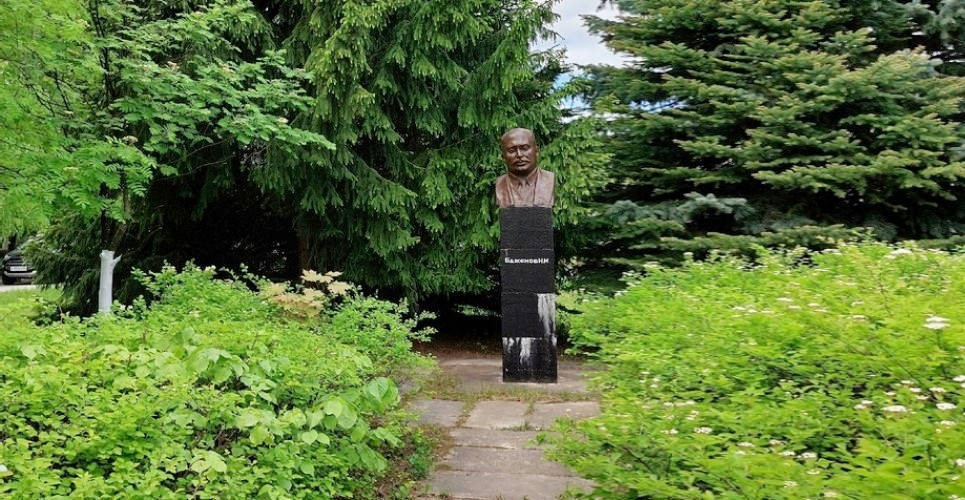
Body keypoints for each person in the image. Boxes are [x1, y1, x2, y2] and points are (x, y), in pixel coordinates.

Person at [494, 128, 555, 208]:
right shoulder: (500, 184)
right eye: (512, 150)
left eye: (525, 148)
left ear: (536, 151)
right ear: (503, 157)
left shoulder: (549, 180)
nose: (519, 155)